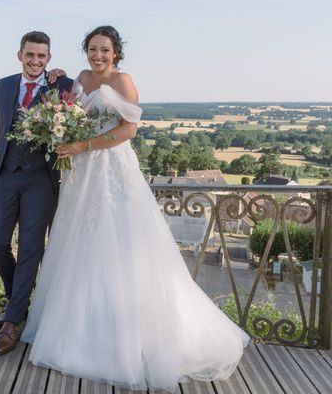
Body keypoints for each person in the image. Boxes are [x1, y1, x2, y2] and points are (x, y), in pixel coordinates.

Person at [21, 26, 249, 392]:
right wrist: (57, 89)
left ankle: (126, 341)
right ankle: (76, 330)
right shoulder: (79, 78)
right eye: (93, 49)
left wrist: (85, 145)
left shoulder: (124, 81)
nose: (98, 56)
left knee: (118, 247)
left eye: (105, 50)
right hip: (81, 176)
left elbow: (129, 130)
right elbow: (65, 105)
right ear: (86, 51)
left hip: (111, 170)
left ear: (116, 53)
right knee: (78, 246)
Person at [0, 31, 73, 356]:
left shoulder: (60, 86)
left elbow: (81, 104)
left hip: (41, 180)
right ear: (19, 55)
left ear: (49, 58)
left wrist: (62, 76)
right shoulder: (4, 86)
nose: (36, 61)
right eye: (30, 55)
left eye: (42, 56)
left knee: (31, 250)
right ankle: (20, 298)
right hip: (4, 176)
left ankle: (12, 322)